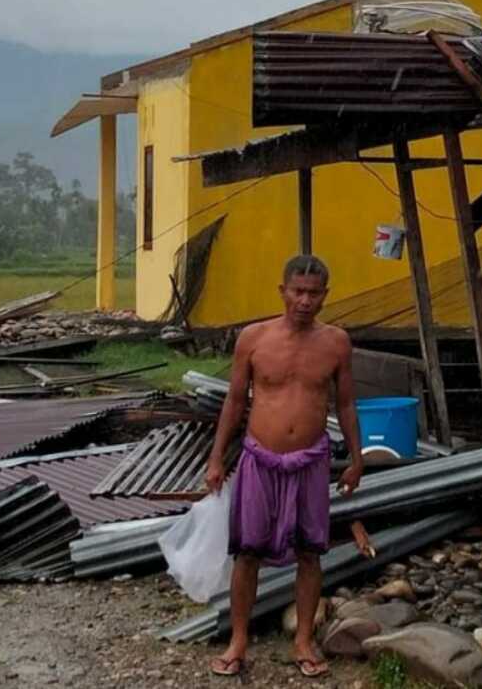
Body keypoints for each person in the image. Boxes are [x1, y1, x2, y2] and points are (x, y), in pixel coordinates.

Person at [204, 254, 363, 679]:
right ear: (283, 291)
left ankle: (303, 640)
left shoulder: (336, 343)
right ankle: (238, 640)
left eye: (314, 293)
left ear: (325, 296)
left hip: (311, 459)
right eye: (298, 291)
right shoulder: (253, 339)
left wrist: (356, 459)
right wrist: (217, 457)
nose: (305, 301)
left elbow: (345, 403)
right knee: (248, 551)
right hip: (259, 458)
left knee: (310, 552)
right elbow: (235, 400)